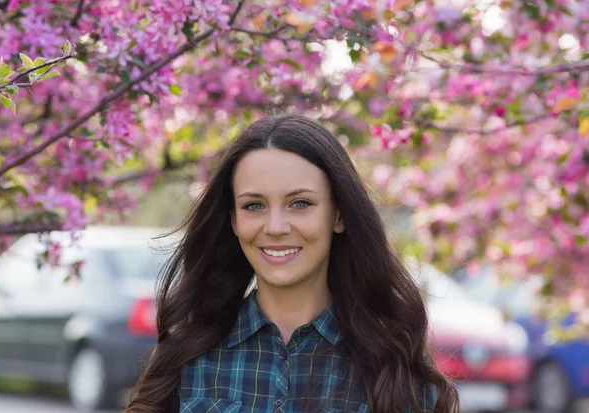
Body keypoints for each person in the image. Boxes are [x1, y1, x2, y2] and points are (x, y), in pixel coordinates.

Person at [125, 115, 459, 413]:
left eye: (300, 203)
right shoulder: (187, 358)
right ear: (233, 220)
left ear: (338, 214)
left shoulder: (392, 365)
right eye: (254, 206)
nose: (275, 227)